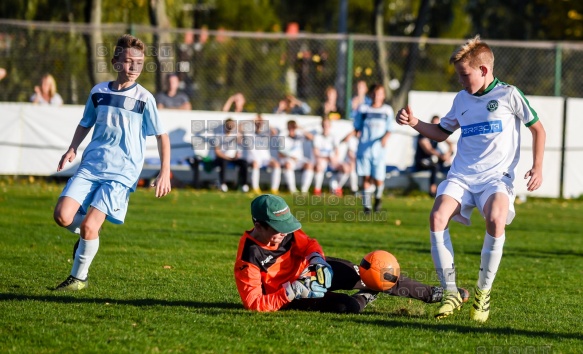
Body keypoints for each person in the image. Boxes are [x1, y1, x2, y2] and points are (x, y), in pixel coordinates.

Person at [396, 35, 546, 322]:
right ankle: (450, 291)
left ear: (484, 70)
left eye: (465, 75)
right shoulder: (461, 99)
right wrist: (414, 123)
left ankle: (483, 292)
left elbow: (538, 129)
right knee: (437, 216)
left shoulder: (509, 94)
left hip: (496, 178)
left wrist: (537, 167)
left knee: (496, 218)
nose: (462, 81)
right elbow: (442, 133)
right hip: (462, 176)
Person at [52, 34, 172, 291]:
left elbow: (163, 136)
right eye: (128, 61)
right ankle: (89, 235)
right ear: (116, 62)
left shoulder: (144, 99)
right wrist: (72, 149)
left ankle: (78, 278)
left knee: (88, 225)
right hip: (91, 166)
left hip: (122, 173)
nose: (134, 67)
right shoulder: (99, 92)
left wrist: (165, 172)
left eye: (139, 63)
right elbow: (86, 122)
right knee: (62, 216)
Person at [234, 194, 469, 313]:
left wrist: (317, 261)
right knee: (346, 307)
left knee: (375, 271)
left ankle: (435, 294)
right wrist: (292, 291)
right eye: (277, 229)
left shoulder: (287, 231)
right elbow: (254, 302)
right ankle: (366, 296)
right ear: (259, 224)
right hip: (291, 295)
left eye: (286, 227)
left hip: (312, 274)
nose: (283, 234)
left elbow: (309, 245)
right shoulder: (249, 257)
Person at [347, 84, 394, 213]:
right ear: (370, 94)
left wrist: (384, 138)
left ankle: (378, 198)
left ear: (383, 95)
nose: (376, 96)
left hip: (378, 150)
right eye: (374, 93)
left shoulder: (387, 110)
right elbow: (357, 126)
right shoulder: (364, 109)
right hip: (364, 149)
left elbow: (390, 129)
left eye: (379, 93)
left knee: (378, 179)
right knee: (365, 177)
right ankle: (366, 206)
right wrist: (355, 133)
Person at [414, 115, 454, 197]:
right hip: (422, 160)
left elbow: (450, 143)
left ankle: (449, 190)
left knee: (451, 167)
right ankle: (432, 189)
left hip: (433, 159)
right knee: (435, 167)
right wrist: (442, 156)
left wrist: (448, 153)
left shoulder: (438, 133)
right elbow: (428, 149)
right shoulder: (423, 134)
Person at [246, 114, 281, 194]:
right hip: (253, 158)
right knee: (255, 164)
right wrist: (252, 119)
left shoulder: (266, 134)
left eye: (260, 123)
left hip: (265, 159)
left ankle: (274, 189)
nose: (259, 124)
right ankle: (255, 188)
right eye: (257, 123)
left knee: (276, 164)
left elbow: (274, 132)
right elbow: (240, 127)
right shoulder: (249, 134)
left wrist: (266, 122)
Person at [278, 120, 314, 193]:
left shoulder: (300, 137)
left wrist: (301, 128)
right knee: (288, 165)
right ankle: (292, 189)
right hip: (288, 160)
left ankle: (304, 190)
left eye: (293, 127)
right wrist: (291, 157)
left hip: (299, 160)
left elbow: (311, 138)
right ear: (287, 128)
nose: (292, 129)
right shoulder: (283, 138)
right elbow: (280, 154)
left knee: (309, 165)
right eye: (290, 127)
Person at [214, 118, 249, 192]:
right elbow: (217, 152)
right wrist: (226, 157)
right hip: (223, 158)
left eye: (232, 125)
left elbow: (240, 144)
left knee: (244, 163)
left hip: (233, 158)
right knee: (223, 162)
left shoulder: (235, 135)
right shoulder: (218, 135)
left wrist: (236, 155)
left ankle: (244, 185)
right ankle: (223, 184)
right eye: (229, 124)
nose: (230, 126)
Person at [312, 118, 340, 195]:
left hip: (332, 160)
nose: (326, 127)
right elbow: (316, 152)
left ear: (330, 126)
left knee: (345, 168)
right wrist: (325, 158)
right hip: (322, 159)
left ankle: (338, 188)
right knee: (319, 167)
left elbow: (337, 151)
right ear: (322, 126)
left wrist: (335, 159)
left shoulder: (334, 136)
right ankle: (317, 190)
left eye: (327, 125)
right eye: (324, 125)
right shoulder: (317, 137)